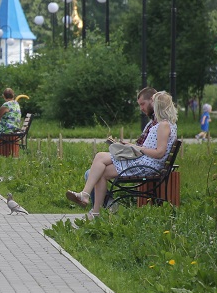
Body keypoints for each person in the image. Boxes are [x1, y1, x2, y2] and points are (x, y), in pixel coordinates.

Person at [67, 91, 178, 219]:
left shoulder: (163, 125)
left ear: (159, 105)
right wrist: (134, 147)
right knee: (101, 172)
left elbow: (159, 153)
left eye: (153, 101)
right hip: (144, 161)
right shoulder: (164, 124)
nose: (151, 104)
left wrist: (138, 148)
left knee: (100, 157)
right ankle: (94, 211)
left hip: (147, 164)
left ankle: (86, 196)